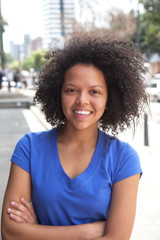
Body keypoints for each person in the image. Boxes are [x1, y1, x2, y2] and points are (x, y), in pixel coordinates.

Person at [1, 32, 148, 240]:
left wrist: (35, 232)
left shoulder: (123, 158)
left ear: (109, 99)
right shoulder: (29, 148)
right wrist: (87, 232)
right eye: (71, 90)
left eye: (94, 92)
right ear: (58, 92)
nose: (82, 100)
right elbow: (9, 233)